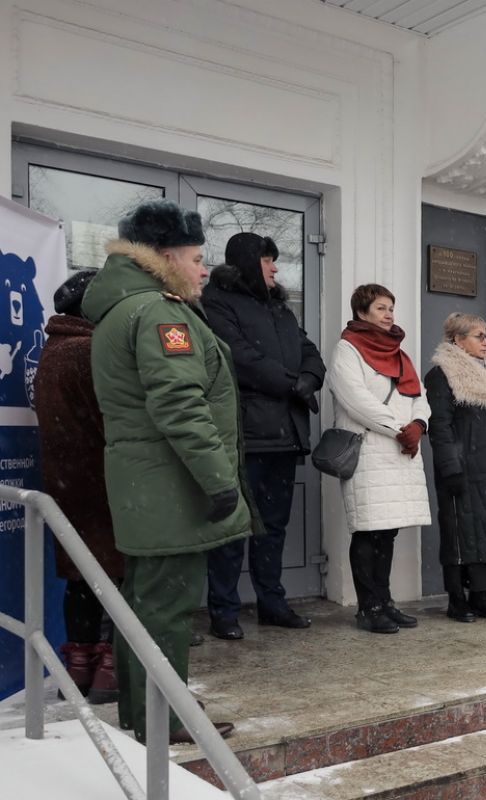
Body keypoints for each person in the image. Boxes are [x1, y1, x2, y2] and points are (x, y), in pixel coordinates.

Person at [82, 199, 252, 744]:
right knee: (167, 611)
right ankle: (166, 719)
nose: (204, 269)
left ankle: (145, 711)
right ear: (164, 255)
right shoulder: (158, 312)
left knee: (146, 605)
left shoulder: (126, 308)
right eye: (197, 257)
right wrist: (219, 478)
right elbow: (179, 403)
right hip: (171, 487)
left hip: (148, 486)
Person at [202, 232, 325, 639]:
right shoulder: (218, 303)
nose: (275, 268)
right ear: (248, 261)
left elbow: (310, 351)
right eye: (268, 260)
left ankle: (271, 603)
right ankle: (224, 610)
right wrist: (292, 384)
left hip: (284, 434)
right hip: (246, 435)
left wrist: (309, 378)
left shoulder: (279, 308)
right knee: (235, 527)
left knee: (273, 526)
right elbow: (238, 357)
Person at [34, 269, 120, 705]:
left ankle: (81, 666)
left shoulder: (55, 349)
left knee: (82, 580)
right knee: (115, 578)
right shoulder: (88, 352)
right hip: (102, 483)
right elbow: (114, 422)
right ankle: (111, 671)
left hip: (70, 485)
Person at [327, 284, 431, 634]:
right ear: (362, 312)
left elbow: (419, 396)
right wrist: (399, 429)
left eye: (391, 308)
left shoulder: (401, 354)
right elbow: (356, 400)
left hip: (401, 453)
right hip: (371, 451)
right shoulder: (347, 350)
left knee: (387, 533)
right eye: (381, 309)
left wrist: (419, 424)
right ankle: (367, 607)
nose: (389, 315)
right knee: (368, 531)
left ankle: (385, 602)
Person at [425, 313, 486, 623]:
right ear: (457, 339)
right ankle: (457, 600)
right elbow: (439, 425)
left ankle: (482, 596)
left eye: (485, 335)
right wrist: (451, 467)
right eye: (478, 336)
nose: (485, 341)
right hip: (463, 469)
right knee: (460, 534)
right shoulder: (443, 374)